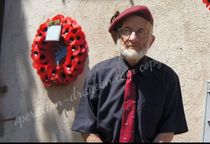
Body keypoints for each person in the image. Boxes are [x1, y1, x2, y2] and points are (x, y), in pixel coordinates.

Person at [71, 5, 188, 142]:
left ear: (151, 40)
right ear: (118, 36)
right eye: (127, 30)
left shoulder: (167, 78)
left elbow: (167, 131)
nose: (133, 38)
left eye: (141, 31)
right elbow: (87, 128)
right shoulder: (97, 75)